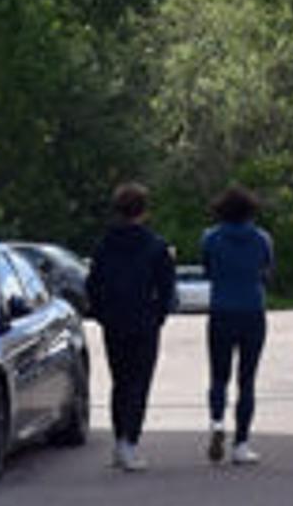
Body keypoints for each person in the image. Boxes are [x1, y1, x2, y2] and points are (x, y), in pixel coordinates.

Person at [86, 179, 178, 469]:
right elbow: (167, 288)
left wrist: (101, 314)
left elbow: (92, 284)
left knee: (120, 382)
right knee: (139, 383)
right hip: (143, 321)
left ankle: (119, 441)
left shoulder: (104, 244)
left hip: (114, 321)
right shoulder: (156, 246)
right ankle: (130, 443)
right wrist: (159, 316)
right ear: (144, 211)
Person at [200, 183, 276, 463]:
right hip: (252, 312)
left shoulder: (210, 238)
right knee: (247, 380)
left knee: (218, 376)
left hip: (221, 311)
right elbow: (267, 272)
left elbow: (208, 270)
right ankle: (241, 444)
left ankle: (217, 421)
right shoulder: (262, 239)